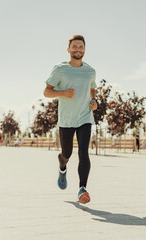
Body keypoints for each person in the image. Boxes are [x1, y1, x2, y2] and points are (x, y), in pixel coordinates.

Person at [43, 35, 98, 204]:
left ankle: (82, 189)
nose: (78, 50)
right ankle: (62, 167)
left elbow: (92, 88)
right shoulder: (60, 69)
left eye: (81, 47)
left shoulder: (90, 71)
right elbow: (47, 92)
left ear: (85, 49)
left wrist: (94, 101)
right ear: (69, 50)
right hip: (66, 119)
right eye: (74, 47)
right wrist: (62, 93)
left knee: (83, 152)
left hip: (85, 117)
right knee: (67, 153)